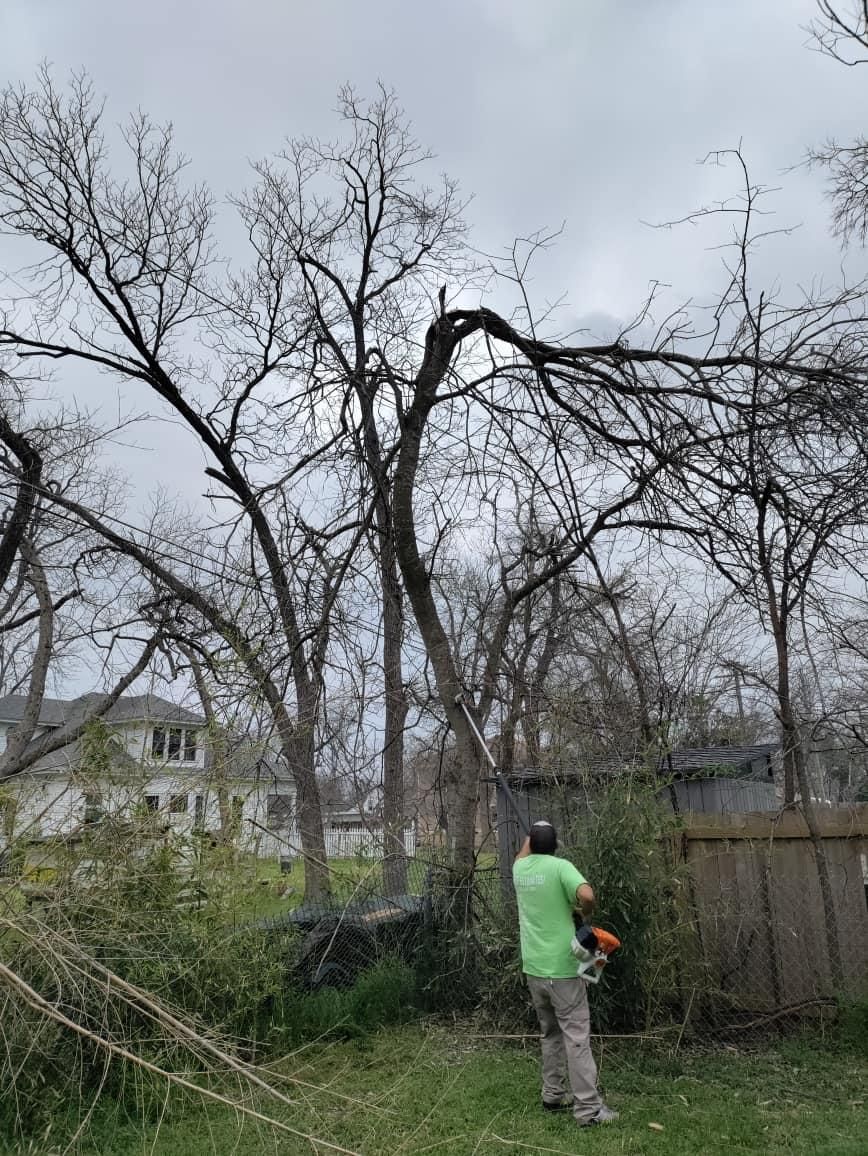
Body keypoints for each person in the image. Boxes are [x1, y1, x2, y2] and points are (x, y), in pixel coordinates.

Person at [513, 819, 618, 1127]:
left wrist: (531, 837)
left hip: (534, 968)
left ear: (530, 842)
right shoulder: (561, 867)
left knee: (550, 1033)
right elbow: (586, 895)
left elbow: (522, 854)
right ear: (556, 845)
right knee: (576, 1037)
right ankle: (589, 1110)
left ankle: (553, 1094)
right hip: (563, 970)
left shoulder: (520, 870)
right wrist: (584, 913)